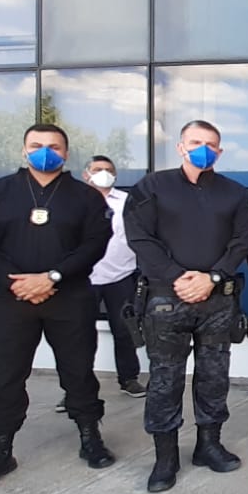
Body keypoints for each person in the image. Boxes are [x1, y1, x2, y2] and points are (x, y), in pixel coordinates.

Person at [0, 124, 115, 494]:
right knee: (5, 376)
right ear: (23, 149)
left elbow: (95, 244)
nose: (46, 151)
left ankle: (90, 437)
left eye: (54, 146)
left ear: (66, 152)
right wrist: (16, 282)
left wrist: (53, 277)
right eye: (37, 145)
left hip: (70, 298)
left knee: (78, 372)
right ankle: (0, 451)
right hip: (10, 300)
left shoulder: (85, 197)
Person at [123, 120, 248, 493]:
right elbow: (139, 237)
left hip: (217, 299)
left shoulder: (234, 193)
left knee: (214, 377)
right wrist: (178, 276)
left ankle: (209, 445)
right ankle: (165, 458)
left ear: (220, 150)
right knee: (164, 380)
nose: (203, 148)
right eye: (195, 142)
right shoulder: (152, 187)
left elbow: (243, 240)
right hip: (166, 298)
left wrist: (212, 278)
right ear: (181, 147)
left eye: (210, 144)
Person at [83, 155, 144, 399]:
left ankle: (129, 379)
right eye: (98, 169)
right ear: (86, 174)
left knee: (125, 330)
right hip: (83, 278)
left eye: (109, 170)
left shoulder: (127, 202)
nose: (103, 173)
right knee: (78, 335)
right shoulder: (75, 200)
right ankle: (76, 389)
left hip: (121, 276)